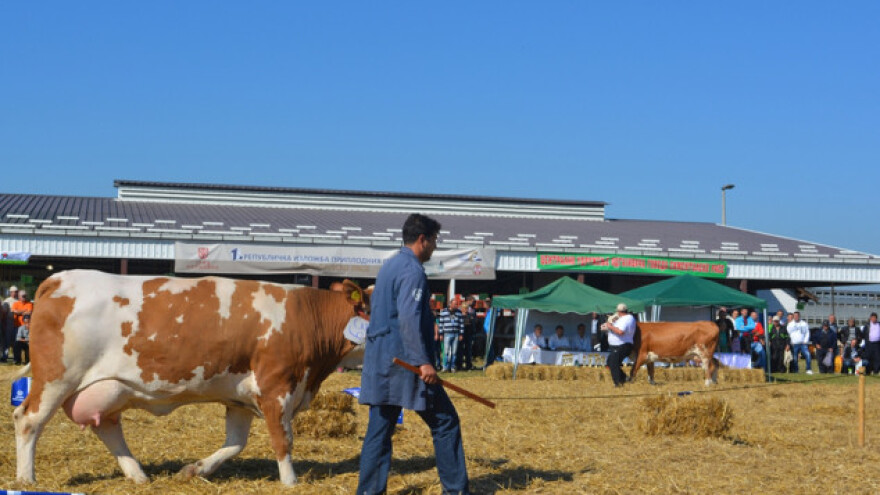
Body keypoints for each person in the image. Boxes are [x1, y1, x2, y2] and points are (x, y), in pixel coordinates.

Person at [357, 213, 469, 495]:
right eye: (434, 240)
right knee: (445, 422)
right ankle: (456, 490)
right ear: (423, 239)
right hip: (406, 365)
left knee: (379, 431)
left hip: (383, 362)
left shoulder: (390, 266)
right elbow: (408, 318)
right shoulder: (413, 271)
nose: (435, 246)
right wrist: (423, 362)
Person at [604, 303, 636, 387]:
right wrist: (610, 324)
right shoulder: (623, 318)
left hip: (622, 345)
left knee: (613, 363)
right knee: (609, 362)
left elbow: (620, 332)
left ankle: (617, 383)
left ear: (619, 311)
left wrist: (610, 327)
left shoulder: (627, 319)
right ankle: (624, 378)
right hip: (618, 345)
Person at [436, 299, 464, 372]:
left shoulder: (459, 312)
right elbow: (441, 324)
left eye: (456, 304)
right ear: (450, 304)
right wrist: (441, 334)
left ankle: (453, 367)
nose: (456, 306)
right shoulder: (443, 312)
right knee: (446, 351)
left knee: (454, 352)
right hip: (447, 334)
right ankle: (445, 367)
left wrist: (461, 334)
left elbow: (461, 324)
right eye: (454, 304)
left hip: (456, 334)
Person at [1, 285, 18, 362]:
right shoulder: (6, 301)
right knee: (7, 341)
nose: (14, 293)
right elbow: (3, 313)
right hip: (8, 323)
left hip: (16, 323)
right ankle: (5, 356)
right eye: (13, 292)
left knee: (15, 341)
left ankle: (16, 357)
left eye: (16, 292)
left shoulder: (19, 301)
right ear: (10, 292)